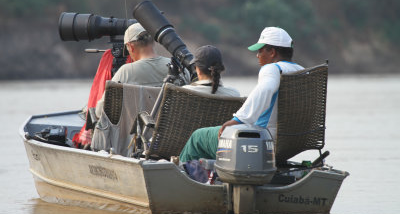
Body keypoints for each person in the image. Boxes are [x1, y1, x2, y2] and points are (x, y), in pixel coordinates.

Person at [179, 27, 304, 162]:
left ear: (272, 52)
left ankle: (181, 173)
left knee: (198, 137)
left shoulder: (272, 69)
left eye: (260, 50)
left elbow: (265, 89)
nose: (257, 55)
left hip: (262, 142)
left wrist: (238, 120)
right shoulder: (301, 72)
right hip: (290, 144)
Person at [95, 23, 170, 118]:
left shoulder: (126, 72)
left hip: (136, 131)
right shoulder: (175, 67)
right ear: (153, 42)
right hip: (168, 130)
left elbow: (100, 111)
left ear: (131, 47)